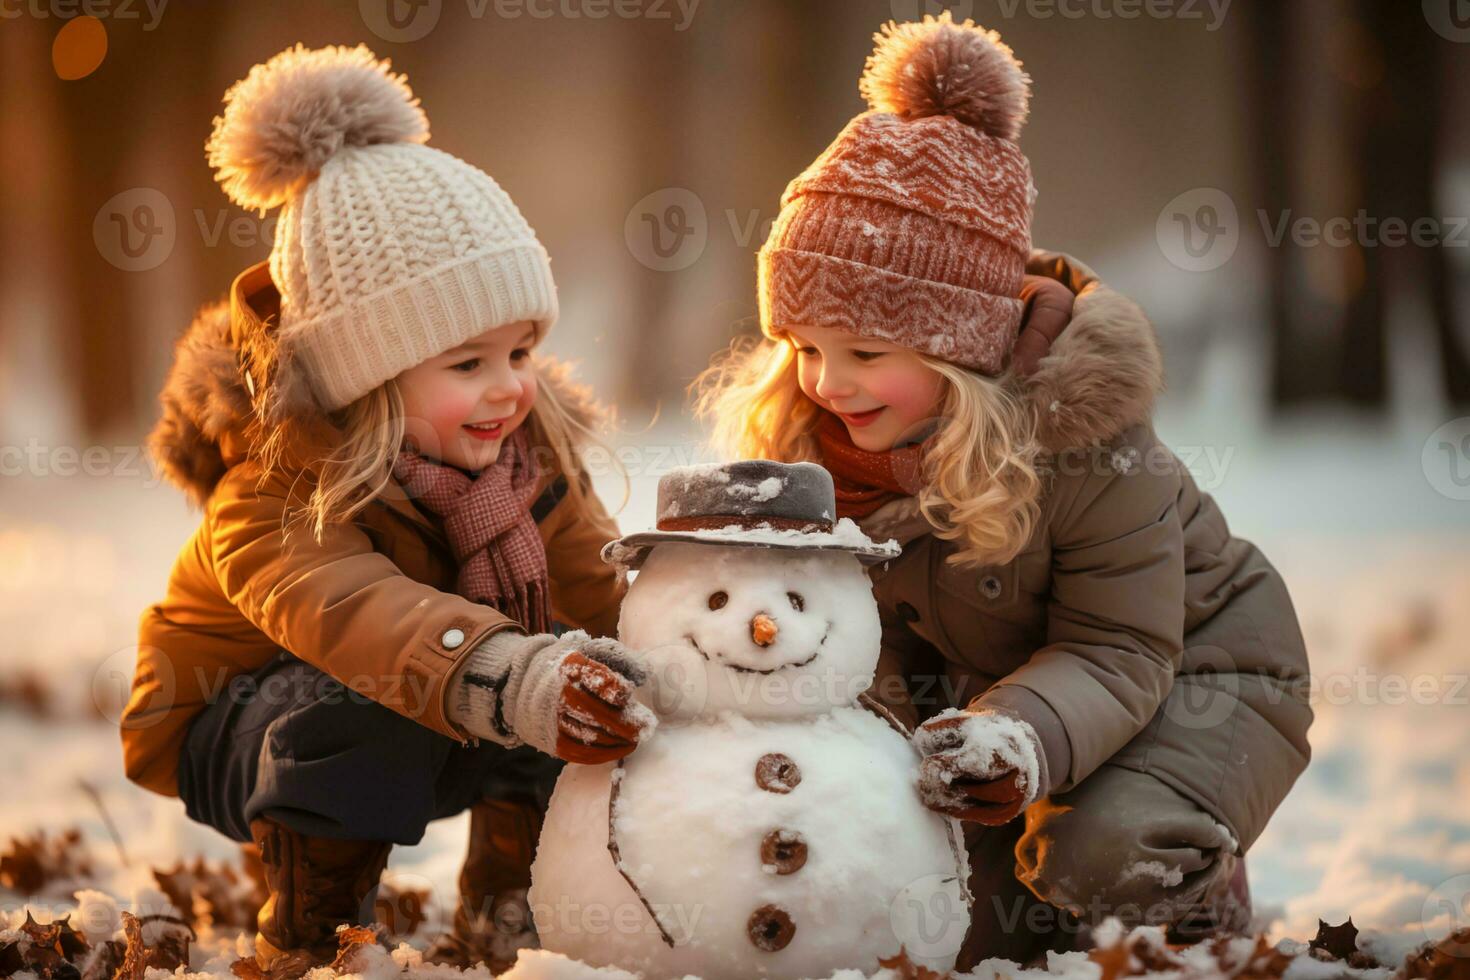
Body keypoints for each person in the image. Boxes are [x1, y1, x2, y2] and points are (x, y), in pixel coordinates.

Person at [692, 13, 1313, 969]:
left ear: (966, 352)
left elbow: (1119, 647)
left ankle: (1194, 889)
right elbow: (869, 652)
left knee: (1099, 858)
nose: (828, 381)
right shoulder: (832, 454)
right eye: (805, 347)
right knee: (961, 933)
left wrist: (1014, 736)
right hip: (1006, 708)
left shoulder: (1089, 451)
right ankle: (1046, 888)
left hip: (1192, 677)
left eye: (866, 352)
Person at [120, 44, 653, 977]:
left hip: (445, 701)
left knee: (573, 668)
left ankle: (508, 906)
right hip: (244, 726)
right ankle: (317, 935)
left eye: (521, 353)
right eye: (467, 365)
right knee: (373, 697)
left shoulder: (528, 463)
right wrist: (506, 674)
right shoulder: (279, 482)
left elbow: (601, 589)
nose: (509, 390)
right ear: (367, 376)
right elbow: (352, 610)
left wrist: (680, 664)